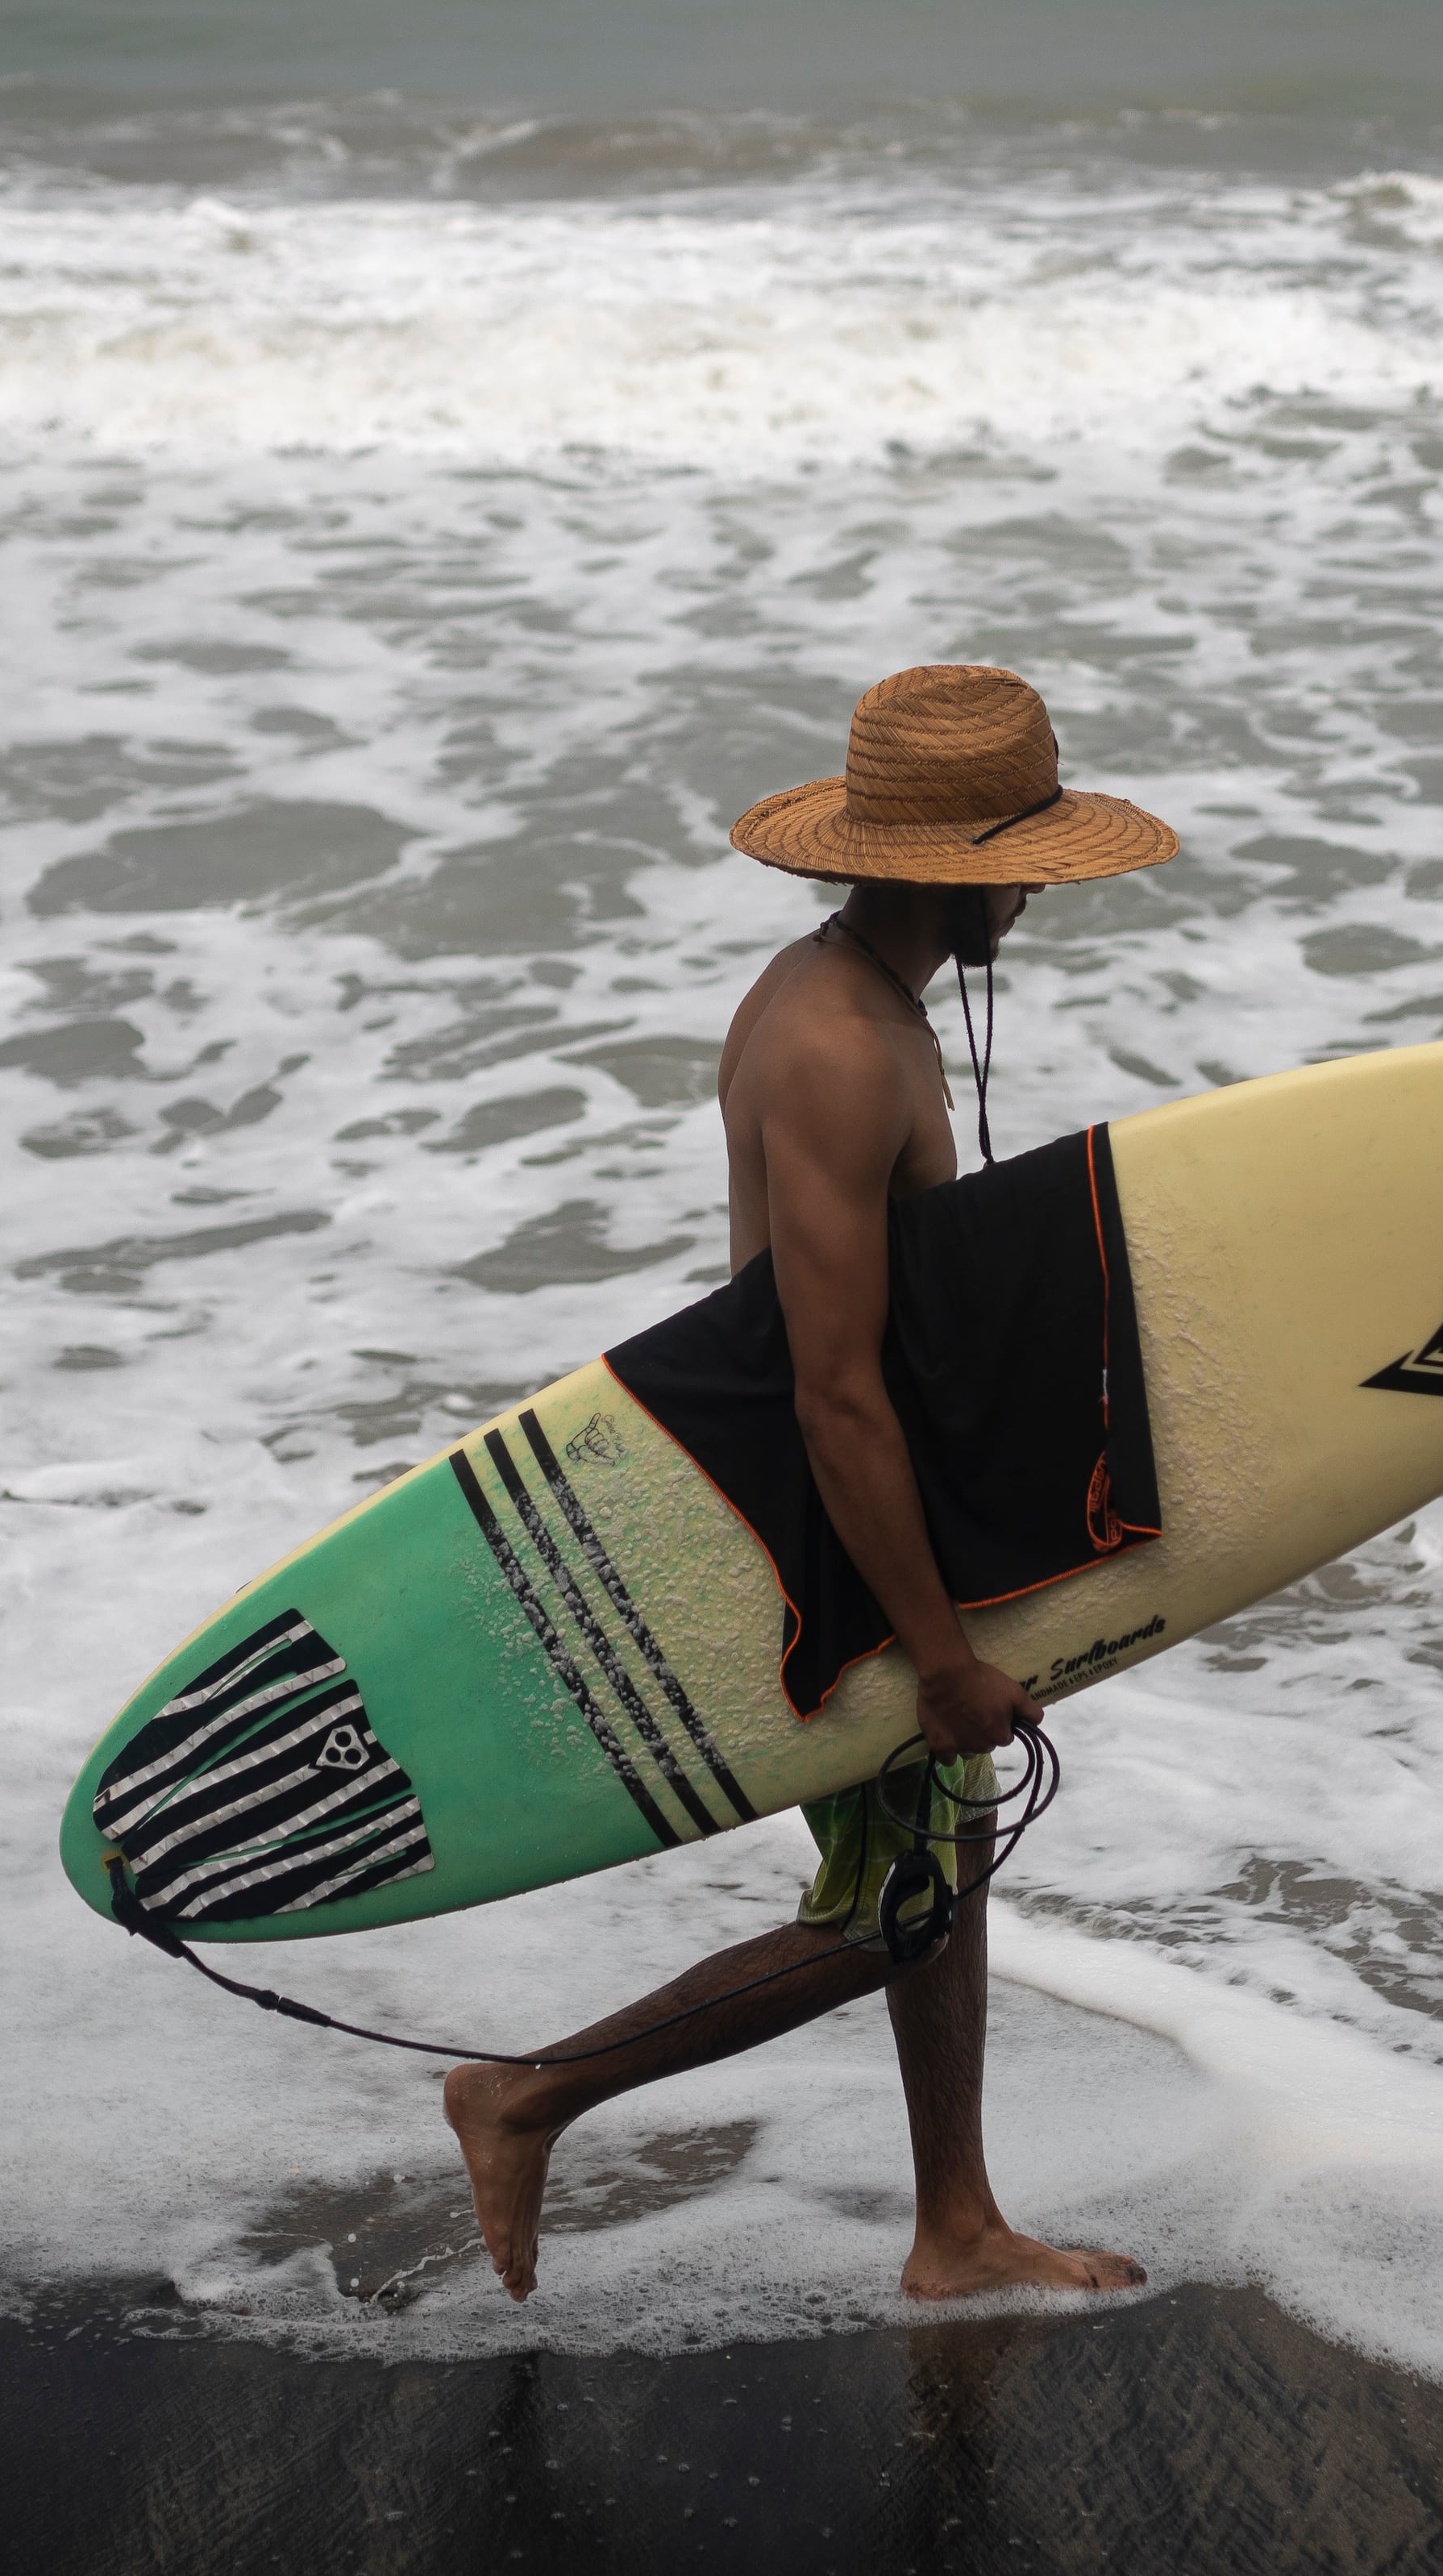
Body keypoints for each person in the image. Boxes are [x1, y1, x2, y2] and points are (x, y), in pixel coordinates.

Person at [445, 663, 1182, 2303]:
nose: (1032, 898)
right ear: (960, 866)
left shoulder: (844, 986)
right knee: (891, 1903)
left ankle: (958, 2222)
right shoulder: (844, 1046)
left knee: (939, 1858)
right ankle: (525, 2091)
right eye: (1024, 865)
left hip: (862, 1505)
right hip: (828, 1542)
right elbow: (831, 1385)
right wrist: (934, 1650)